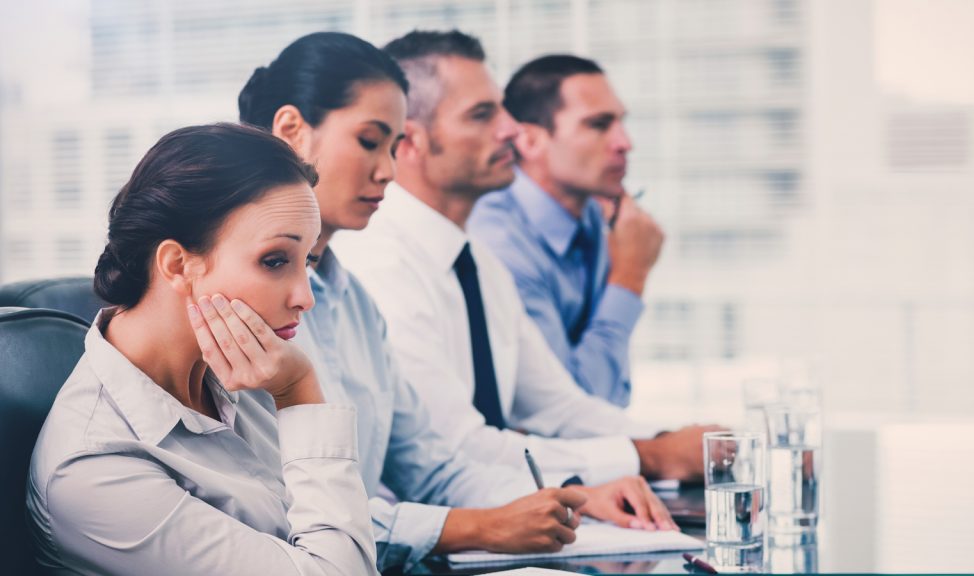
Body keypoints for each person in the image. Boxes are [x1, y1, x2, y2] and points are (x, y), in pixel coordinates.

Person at [238, 32, 676, 573]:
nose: (388, 172)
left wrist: (574, 493)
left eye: (392, 146)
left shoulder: (356, 303)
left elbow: (433, 466)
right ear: (292, 132)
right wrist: (479, 526)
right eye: (370, 142)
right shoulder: (241, 305)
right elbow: (275, 511)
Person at [336, 30, 721, 491]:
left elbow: (558, 406)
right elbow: (456, 449)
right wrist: (650, 457)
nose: (512, 130)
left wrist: (677, 441)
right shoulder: (381, 264)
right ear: (411, 142)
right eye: (482, 115)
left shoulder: (475, 259)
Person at [26, 123, 377, 575]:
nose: (304, 297)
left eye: (306, 259)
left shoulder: (244, 369)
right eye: (275, 261)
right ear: (177, 264)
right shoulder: (93, 469)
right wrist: (299, 392)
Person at [468, 54, 662, 408]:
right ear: (529, 141)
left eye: (620, 122)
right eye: (599, 125)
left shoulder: (595, 216)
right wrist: (630, 276)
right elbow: (573, 408)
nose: (624, 142)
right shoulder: (499, 243)